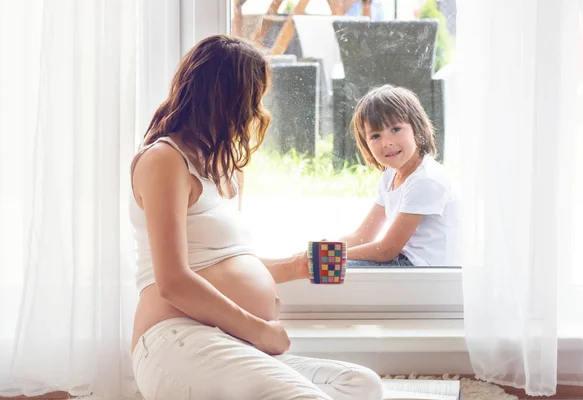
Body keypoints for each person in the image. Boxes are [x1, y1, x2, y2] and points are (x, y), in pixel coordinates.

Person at [129, 35, 383, 400]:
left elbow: (224, 262)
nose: (257, 111)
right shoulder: (164, 160)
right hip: (176, 338)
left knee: (361, 384)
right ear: (226, 98)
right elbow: (173, 281)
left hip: (231, 340)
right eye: (254, 97)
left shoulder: (225, 169)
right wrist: (259, 330)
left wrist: (299, 265)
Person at [341, 85, 460, 268]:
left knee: (336, 271)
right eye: (375, 136)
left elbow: (387, 250)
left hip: (425, 271)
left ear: (417, 129)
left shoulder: (426, 179)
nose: (387, 142)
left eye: (395, 129)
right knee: (320, 268)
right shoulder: (390, 177)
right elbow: (363, 236)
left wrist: (335, 256)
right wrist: (323, 249)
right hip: (405, 262)